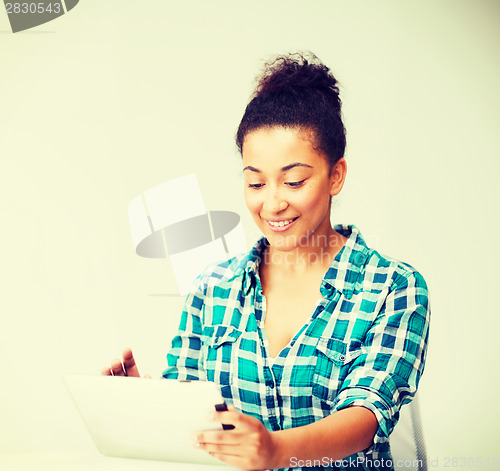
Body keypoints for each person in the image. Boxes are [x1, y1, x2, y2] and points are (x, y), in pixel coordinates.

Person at [103, 52, 430, 471]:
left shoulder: (393, 287)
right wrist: (148, 402)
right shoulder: (213, 288)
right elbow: (194, 413)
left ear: (336, 175)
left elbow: (365, 416)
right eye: (255, 181)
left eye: (293, 181)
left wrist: (275, 450)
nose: (272, 203)